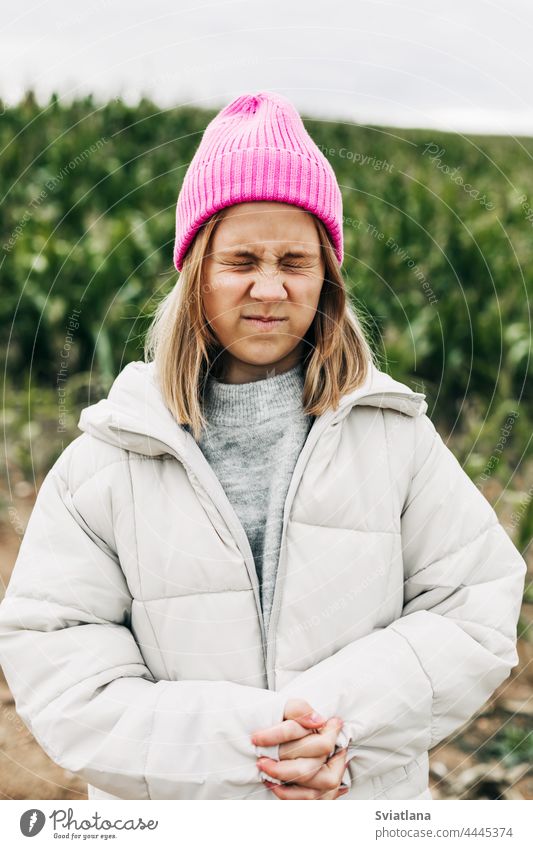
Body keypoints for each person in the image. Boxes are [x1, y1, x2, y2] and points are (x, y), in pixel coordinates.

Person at [0, 91, 526, 802]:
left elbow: (473, 604)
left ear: (327, 278)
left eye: (295, 261)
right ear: (196, 274)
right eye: (241, 259)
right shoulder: (106, 459)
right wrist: (256, 742)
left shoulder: (394, 436)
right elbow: (58, 660)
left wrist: (338, 725)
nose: (270, 288)